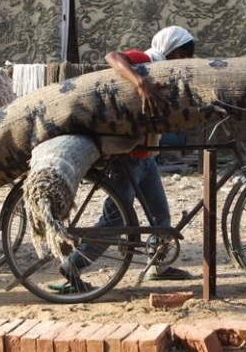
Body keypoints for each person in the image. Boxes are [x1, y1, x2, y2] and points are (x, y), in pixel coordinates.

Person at [50, 26, 196, 294]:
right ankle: (72, 265)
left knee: (160, 216)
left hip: (145, 158)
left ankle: (158, 267)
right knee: (114, 222)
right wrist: (139, 82)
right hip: (126, 158)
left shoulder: (163, 69)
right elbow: (113, 57)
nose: (184, 59)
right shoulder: (147, 60)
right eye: (183, 53)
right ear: (172, 49)